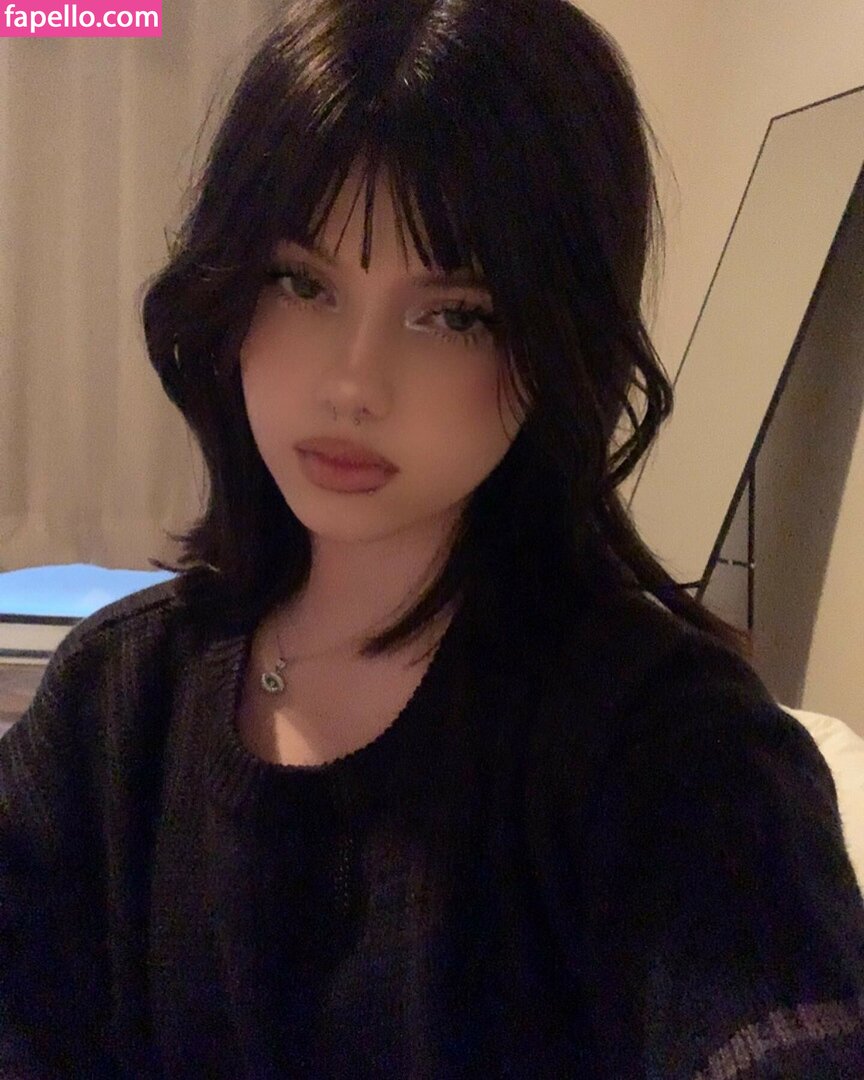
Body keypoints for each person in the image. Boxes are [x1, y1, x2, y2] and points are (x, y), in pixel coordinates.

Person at [1, 0, 862, 1075]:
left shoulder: (672, 747)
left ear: (557, 346)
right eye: (302, 283)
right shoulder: (111, 707)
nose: (354, 382)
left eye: (452, 314)